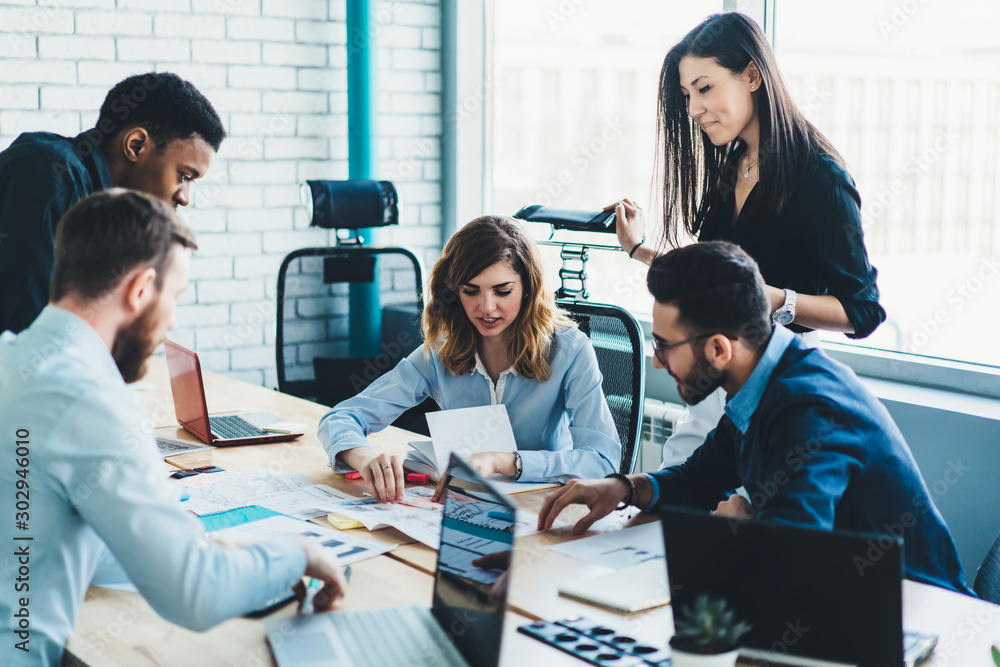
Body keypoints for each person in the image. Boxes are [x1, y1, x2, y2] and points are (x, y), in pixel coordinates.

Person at [0, 191, 347, 666]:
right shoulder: (91, 399)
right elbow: (194, 593)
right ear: (141, 289)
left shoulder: (12, 358)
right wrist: (297, 552)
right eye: (176, 296)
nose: (173, 320)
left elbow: (48, 533)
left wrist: (195, 547)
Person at [537, 242, 971, 596]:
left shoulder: (808, 409)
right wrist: (624, 487)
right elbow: (700, 479)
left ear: (719, 349)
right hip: (847, 607)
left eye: (664, 346)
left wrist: (746, 527)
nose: (656, 361)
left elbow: (792, 563)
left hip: (914, 615)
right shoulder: (761, 381)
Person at [610, 13, 885, 467]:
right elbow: (712, 281)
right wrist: (639, 249)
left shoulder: (820, 178)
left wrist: (774, 298)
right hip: (716, 376)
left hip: (776, 381)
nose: (693, 109)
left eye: (704, 88)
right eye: (687, 95)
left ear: (752, 76)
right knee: (671, 490)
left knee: (743, 505)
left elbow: (863, 311)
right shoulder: (733, 163)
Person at [318, 215, 621, 503]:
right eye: (471, 291)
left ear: (528, 288)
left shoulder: (570, 351)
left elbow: (603, 460)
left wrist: (506, 461)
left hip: (543, 509)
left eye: (502, 291)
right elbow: (342, 418)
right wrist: (365, 458)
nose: (486, 307)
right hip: (463, 505)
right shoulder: (441, 350)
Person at [0, 71, 225, 335]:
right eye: (184, 176)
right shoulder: (52, 174)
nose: (184, 198)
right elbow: (29, 330)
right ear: (136, 145)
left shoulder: (107, 213)